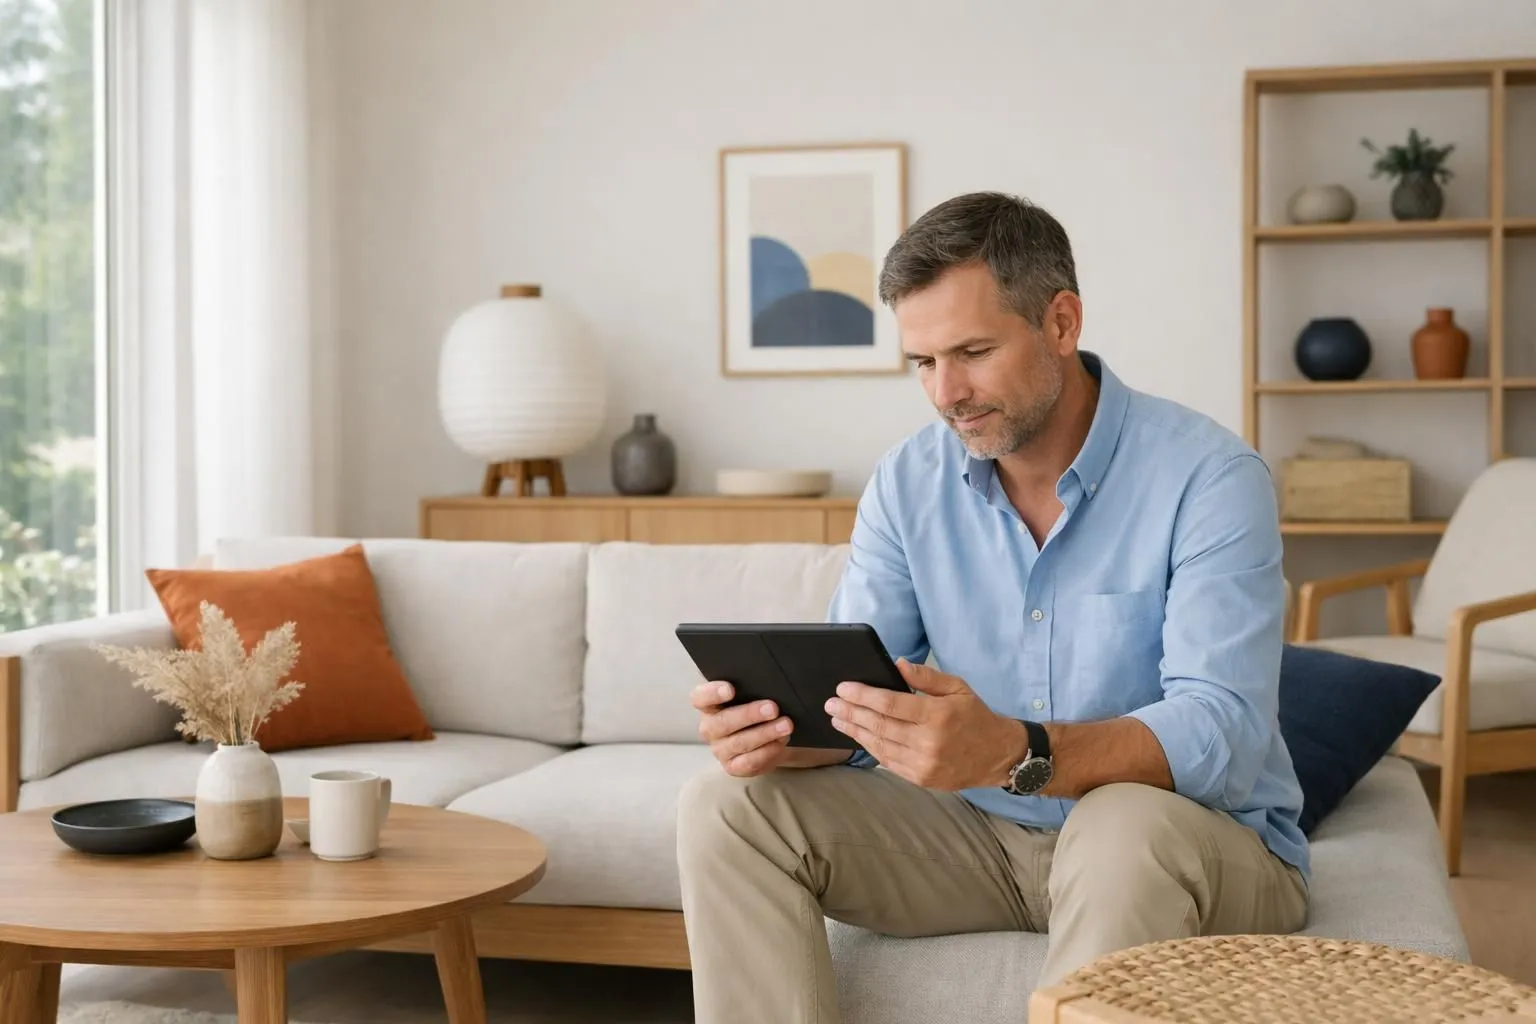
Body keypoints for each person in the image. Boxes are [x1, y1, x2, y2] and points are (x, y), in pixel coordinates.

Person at [675, 191, 1309, 1024]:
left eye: (973, 351)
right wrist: (783, 738)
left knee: (1119, 823)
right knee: (724, 806)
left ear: (1061, 321)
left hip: (1187, 843)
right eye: (923, 363)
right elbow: (862, 704)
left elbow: (1223, 731)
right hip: (978, 844)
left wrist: (1014, 751)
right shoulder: (907, 484)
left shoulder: (1211, 479)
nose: (948, 393)